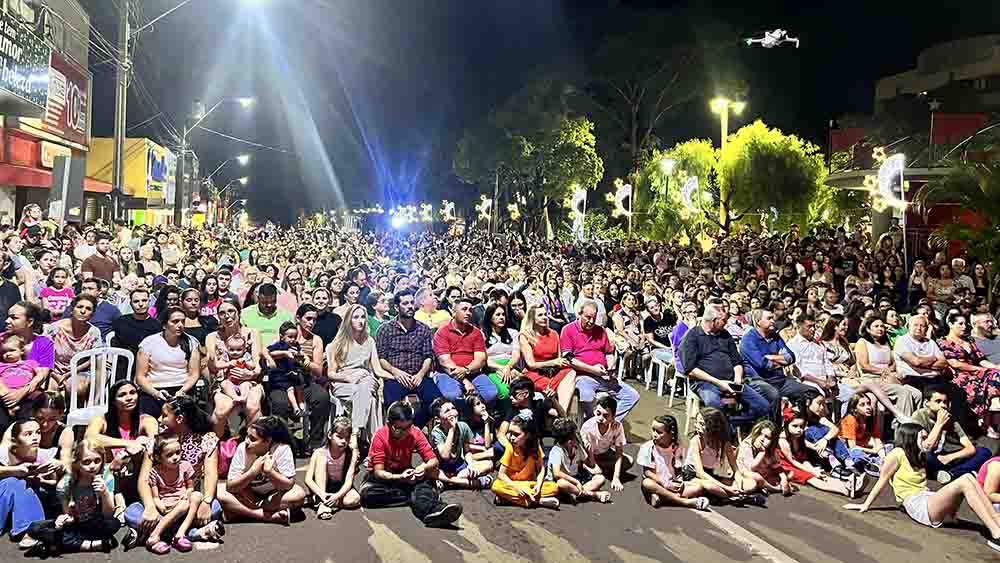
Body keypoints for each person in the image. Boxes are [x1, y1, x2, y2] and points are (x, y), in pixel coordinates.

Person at [845, 423, 1000, 553]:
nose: (926, 441)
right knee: (965, 480)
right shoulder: (897, 454)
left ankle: (996, 522)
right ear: (911, 438)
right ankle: (996, 534)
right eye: (923, 437)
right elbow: (882, 480)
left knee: (969, 478)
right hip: (917, 504)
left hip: (928, 498)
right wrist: (865, 505)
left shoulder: (919, 455)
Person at [131, 395, 225, 545]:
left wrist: (206, 502)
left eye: (164, 415)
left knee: (214, 508)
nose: (159, 419)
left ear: (179, 419)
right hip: (161, 504)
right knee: (132, 512)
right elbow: (144, 478)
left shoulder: (206, 439)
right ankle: (192, 533)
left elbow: (210, 473)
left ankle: (155, 532)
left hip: (188, 503)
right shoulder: (157, 440)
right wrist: (149, 506)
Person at [359, 401, 463, 528]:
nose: (404, 433)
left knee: (424, 481)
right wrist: (400, 477)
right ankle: (420, 499)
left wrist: (423, 467)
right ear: (389, 424)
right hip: (381, 479)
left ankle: (435, 509)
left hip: (405, 473)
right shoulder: (380, 436)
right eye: (399, 429)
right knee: (366, 496)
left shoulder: (415, 432)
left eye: (408, 427)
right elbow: (378, 472)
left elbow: (433, 460)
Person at [678, 300, 769, 428]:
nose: (726, 323)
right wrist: (719, 383)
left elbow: (737, 361)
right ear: (713, 320)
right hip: (705, 383)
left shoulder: (725, 335)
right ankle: (725, 429)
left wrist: (737, 379)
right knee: (714, 403)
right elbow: (691, 370)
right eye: (723, 321)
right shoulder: (692, 336)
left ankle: (728, 423)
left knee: (763, 406)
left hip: (731, 382)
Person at [27, 439, 120, 556]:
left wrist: (104, 493)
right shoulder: (66, 483)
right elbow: (69, 515)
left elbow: (108, 514)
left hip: (95, 522)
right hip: (76, 524)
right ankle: (91, 545)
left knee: (113, 523)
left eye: (97, 461)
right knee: (35, 528)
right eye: (86, 462)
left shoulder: (106, 477)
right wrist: (62, 520)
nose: (92, 466)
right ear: (77, 463)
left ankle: (60, 545)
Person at [218, 416, 306, 524]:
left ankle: (241, 511)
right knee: (219, 491)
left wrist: (270, 472)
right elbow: (231, 486)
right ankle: (266, 516)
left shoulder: (282, 449)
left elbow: (288, 485)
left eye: (253, 439)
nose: (247, 441)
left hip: (273, 496)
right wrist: (252, 472)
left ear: (268, 441)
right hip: (247, 494)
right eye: (247, 436)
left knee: (298, 495)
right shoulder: (242, 448)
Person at [375, 290, 444, 427]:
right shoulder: (385, 329)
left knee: (437, 402)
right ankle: (399, 432)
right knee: (392, 405)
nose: (410, 306)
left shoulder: (423, 329)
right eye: (405, 303)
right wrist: (396, 372)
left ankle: (413, 428)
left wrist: (420, 374)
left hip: (418, 375)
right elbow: (381, 357)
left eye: (412, 303)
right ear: (396, 307)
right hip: (396, 376)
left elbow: (428, 356)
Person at [561, 301, 640, 421]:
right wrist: (593, 370)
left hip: (603, 376)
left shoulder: (600, 330)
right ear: (579, 314)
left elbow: (608, 353)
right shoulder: (568, 330)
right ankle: (593, 423)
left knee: (632, 396)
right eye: (588, 317)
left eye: (594, 318)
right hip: (583, 375)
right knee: (587, 396)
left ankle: (608, 422)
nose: (591, 321)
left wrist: (610, 366)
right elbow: (569, 359)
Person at [327, 304, 390, 440]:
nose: (360, 321)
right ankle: (372, 440)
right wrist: (349, 377)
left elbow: (377, 369)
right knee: (369, 398)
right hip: (344, 382)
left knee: (365, 386)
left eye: (363, 317)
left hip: (366, 379)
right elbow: (331, 373)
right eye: (355, 317)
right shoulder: (339, 343)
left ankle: (355, 433)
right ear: (348, 320)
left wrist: (396, 376)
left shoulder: (369, 341)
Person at [739, 308, 814, 421]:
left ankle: (801, 424)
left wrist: (770, 357)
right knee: (774, 395)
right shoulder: (748, 340)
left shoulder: (775, 336)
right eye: (769, 318)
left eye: (773, 318)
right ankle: (774, 427)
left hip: (780, 380)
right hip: (758, 380)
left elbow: (791, 357)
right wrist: (781, 360)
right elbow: (764, 365)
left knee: (810, 391)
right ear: (758, 321)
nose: (773, 321)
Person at [0, 419, 61, 548]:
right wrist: (15, 470)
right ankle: (34, 529)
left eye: (38, 432)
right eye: (28, 434)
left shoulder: (45, 454)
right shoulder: (4, 453)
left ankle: (32, 530)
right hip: (4, 496)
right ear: (15, 440)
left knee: (23, 484)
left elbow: (54, 482)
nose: (35, 437)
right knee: (13, 482)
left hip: (31, 496)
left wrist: (56, 470)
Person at [911, 386, 992, 484]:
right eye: (938, 401)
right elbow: (926, 447)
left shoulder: (950, 418)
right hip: (932, 457)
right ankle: (961, 472)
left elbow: (970, 448)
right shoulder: (919, 416)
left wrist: (949, 457)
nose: (943, 406)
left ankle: (951, 474)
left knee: (984, 452)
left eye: (945, 402)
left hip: (948, 458)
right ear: (927, 403)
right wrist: (939, 423)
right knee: (926, 456)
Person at [684, 407, 764, 506]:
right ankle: (738, 498)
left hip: (711, 474)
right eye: (696, 422)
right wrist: (727, 488)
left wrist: (739, 481)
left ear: (713, 427)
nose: (696, 425)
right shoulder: (696, 441)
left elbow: (735, 468)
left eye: (701, 424)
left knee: (751, 484)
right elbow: (700, 473)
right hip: (694, 475)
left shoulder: (724, 442)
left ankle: (726, 496)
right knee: (710, 486)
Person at [207, 299, 264, 435]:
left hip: (250, 380)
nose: (227, 316)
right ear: (218, 316)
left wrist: (249, 374)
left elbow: (257, 366)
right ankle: (215, 443)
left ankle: (255, 442)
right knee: (222, 409)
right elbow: (213, 368)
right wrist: (213, 360)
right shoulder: (212, 337)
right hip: (224, 382)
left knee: (252, 406)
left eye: (231, 311)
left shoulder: (252, 333)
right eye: (222, 313)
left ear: (239, 313)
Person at [937, 312, 1000, 430]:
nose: (964, 327)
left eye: (965, 324)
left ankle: (991, 411)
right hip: (959, 374)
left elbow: (981, 359)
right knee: (984, 380)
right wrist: (980, 369)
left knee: (996, 374)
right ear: (951, 324)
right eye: (960, 324)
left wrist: (994, 367)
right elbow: (955, 364)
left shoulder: (969, 340)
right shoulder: (944, 342)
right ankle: (986, 418)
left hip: (977, 371)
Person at [432, 296, 498, 409]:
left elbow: (481, 359)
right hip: (448, 373)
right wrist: (465, 380)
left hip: (472, 372)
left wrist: (466, 370)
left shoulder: (476, 332)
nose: (468, 313)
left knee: (491, 394)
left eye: (470, 310)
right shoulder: (442, 332)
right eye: (464, 309)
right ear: (454, 312)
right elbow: (445, 362)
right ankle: (461, 417)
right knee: (453, 395)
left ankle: (481, 417)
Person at [135, 307, 202, 419]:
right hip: (154, 389)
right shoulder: (149, 343)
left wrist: (182, 391)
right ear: (164, 325)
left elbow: (194, 374)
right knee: (149, 421)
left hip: (181, 389)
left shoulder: (191, 342)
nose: (180, 325)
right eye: (175, 321)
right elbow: (140, 377)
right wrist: (156, 393)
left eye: (182, 321)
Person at [778, 408, 861, 497]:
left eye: (801, 426)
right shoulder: (783, 440)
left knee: (820, 475)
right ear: (787, 425)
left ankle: (848, 484)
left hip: (798, 462)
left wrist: (812, 469)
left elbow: (803, 458)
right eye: (795, 426)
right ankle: (843, 490)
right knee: (811, 478)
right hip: (786, 466)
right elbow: (793, 461)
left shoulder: (799, 436)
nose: (799, 429)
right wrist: (812, 470)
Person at [140, 435, 201, 554]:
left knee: (197, 496)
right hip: (167, 505)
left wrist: (187, 493)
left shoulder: (185, 466)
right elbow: (155, 497)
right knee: (135, 514)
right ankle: (155, 535)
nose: (175, 457)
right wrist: (159, 505)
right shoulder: (155, 472)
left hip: (182, 502)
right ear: (158, 457)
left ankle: (179, 534)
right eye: (169, 455)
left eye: (178, 452)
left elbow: (190, 487)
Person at [491, 410, 560, 508]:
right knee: (496, 486)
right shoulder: (510, 448)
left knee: (554, 487)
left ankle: (514, 499)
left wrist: (538, 485)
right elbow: (501, 474)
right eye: (510, 433)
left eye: (516, 434)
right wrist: (516, 487)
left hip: (528, 484)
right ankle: (537, 501)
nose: (511, 438)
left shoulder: (535, 447)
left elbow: (541, 469)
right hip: (513, 485)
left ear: (527, 434)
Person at [637, 414, 709, 510]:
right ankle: (684, 501)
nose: (654, 434)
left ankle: (664, 497)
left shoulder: (677, 447)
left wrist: (680, 482)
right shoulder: (648, 447)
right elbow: (648, 472)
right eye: (653, 430)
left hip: (672, 483)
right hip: (657, 483)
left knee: (698, 487)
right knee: (647, 483)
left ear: (671, 433)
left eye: (659, 432)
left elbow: (678, 470)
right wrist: (665, 484)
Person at [519, 304, 576, 415]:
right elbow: (531, 364)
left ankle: (562, 413)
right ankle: (561, 415)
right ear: (532, 318)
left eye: (545, 314)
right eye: (540, 315)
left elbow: (559, 359)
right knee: (552, 385)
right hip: (535, 373)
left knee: (570, 373)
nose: (544, 317)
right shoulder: (525, 336)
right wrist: (553, 362)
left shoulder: (554, 334)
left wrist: (564, 361)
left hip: (553, 371)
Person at [43, 294, 102, 402]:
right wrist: (55, 375)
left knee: (77, 388)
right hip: (53, 370)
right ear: (72, 309)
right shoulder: (55, 328)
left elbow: (94, 358)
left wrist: (70, 373)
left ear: (92, 314)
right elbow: (41, 354)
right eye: (80, 307)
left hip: (78, 371)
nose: (83, 311)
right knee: (51, 392)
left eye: (88, 309)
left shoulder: (94, 332)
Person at [427, 398, 493, 490]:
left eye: (453, 408)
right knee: (430, 471)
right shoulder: (436, 432)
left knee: (489, 464)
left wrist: (471, 465)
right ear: (438, 419)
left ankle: (449, 481)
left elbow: (467, 451)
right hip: (442, 468)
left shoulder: (463, 426)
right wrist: (452, 429)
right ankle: (469, 482)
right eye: (447, 411)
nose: (452, 413)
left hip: (460, 466)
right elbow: (445, 456)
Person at [303, 416, 361, 520]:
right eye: (339, 437)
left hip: (339, 486)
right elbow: (308, 479)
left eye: (347, 438)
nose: (343, 441)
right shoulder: (319, 452)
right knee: (322, 458)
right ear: (330, 435)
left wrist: (337, 496)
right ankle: (322, 503)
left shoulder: (351, 453)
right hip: (322, 486)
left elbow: (349, 480)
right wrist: (322, 494)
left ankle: (322, 501)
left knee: (354, 499)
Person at [547, 417, 610, 503]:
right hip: (564, 480)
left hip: (576, 478)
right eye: (574, 435)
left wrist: (590, 453)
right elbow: (557, 473)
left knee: (600, 478)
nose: (576, 437)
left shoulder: (576, 447)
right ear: (569, 441)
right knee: (561, 483)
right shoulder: (556, 451)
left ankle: (576, 493)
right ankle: (593, 494)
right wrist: (576, 482)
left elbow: (591, 465)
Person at [581, 394, 631, 493]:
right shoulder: (587, 427)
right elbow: (587, 453)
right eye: (598, 413)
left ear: (613, 416)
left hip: (604, 453)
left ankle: (602, 469)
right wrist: (592, 464)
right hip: (589, 456)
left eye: (606, 415)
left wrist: (616, 478)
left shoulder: (617, 426)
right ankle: (596, 469)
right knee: (597, 471)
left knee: (629, 461)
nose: (600, 418)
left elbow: (619, 453)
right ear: (594, 411)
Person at [894, 314, 949, 390]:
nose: (919, 328)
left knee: (957, 391)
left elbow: (944, 363)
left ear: (926, 329)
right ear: (909, 326)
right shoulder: (902, 341)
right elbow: (916, 361)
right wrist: (933, 358)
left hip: (936, 378)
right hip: (913, 379)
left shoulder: (931, 342)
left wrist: (921, 364)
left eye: (922, 326)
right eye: (915, 325)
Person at [736, 420, 789, 496]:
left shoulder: (771, 450)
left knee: (788, 475)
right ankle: (774, 489)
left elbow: (777, 467)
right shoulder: (746, 445)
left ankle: (763, 486)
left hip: (763, 473)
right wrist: (762, 452)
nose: (762, 439)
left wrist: (784, 479)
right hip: (745, 473)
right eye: (760, 434)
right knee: (755, 479)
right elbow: (751, 468)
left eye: (767, 437)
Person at [481, 301, 518, 403]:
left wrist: (508, 367)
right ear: (490, 317)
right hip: (492, 368)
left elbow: (516, 354)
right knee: (506, 391)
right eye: (498, 315)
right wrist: (502, 368)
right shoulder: (482, 335)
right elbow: (484, 359)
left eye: (503, 314)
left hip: (511, 366)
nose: (502, 317)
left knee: (524, 387)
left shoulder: (513, 333)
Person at [110, 288, 162, 359]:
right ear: (130, 304)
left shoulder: (157, 325)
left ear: (149, 302)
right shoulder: (121, 322)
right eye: (136, 301)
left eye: (144, 300)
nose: (140, 304)